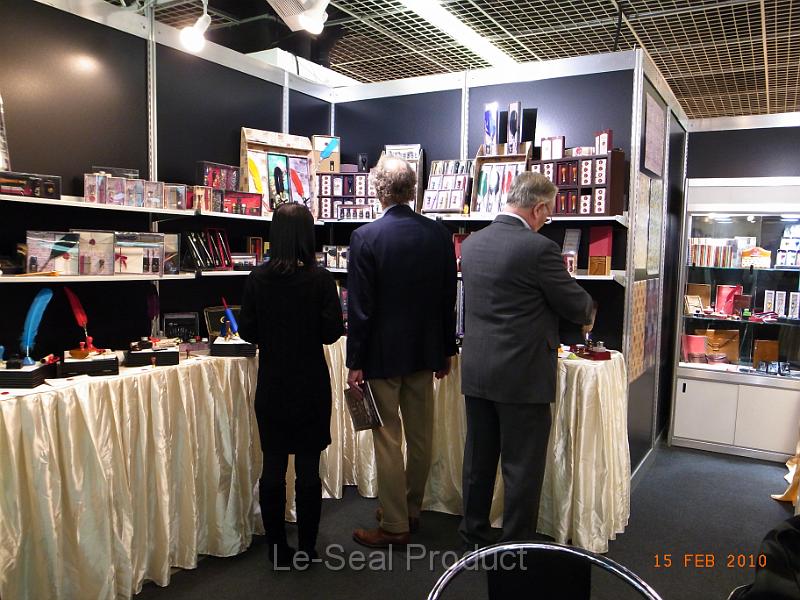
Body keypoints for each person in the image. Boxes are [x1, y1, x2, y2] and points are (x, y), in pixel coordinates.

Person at [459, 172, 595, 546]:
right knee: (521, 468)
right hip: (522, 374)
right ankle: (516, 545)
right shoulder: (539, 249)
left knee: (478, 459)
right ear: (537, 208)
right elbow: (575, 303)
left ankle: (472, 533)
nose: (547, 220)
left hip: (478, 369)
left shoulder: (472, 244)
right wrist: (589, 309)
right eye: (548, 213)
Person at [346, 155, 458, 549]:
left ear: (379, 189)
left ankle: (394, 524)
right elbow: (448, 298)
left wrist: (355, 361)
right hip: (425, 351)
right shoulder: (439, 234)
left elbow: (360, 308)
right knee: (422, 436)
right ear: (412, 189)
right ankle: (411, 509)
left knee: (387, 438)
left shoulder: (365, 237)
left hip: (381, 354)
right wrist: (446, 349)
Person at [239, 203, 344, 568]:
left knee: (272, 465)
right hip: (310, 382)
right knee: (308, 468)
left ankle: (276, 548)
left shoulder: (257, 278)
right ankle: (308, 547)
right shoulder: (321, 279)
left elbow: (247, 331)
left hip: (272, 382)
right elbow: (332, 333)